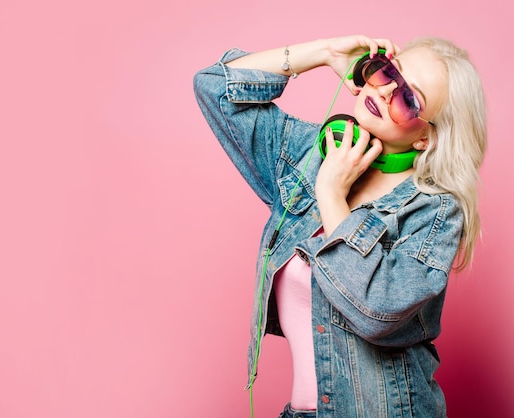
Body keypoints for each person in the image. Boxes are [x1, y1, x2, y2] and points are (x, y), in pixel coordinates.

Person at [193, 34, 487, 418]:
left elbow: (376, 311)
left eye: (408, 99)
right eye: (387, 73)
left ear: (425, 137)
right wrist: (323, 54)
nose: (384, 93)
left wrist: (332, 196)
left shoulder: (434, 212)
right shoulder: (307, 156)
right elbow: (214, 87)